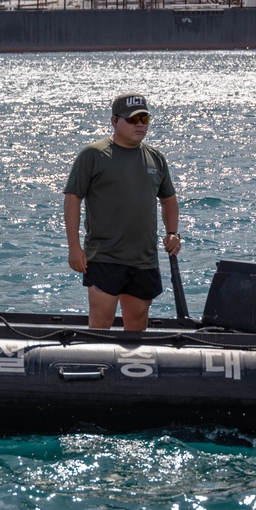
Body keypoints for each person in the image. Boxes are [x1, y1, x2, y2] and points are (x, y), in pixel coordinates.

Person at [63, 92, 181, 331]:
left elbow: (168, 199)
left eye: (144, 119)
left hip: (143, 258)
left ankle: (131, 368)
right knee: (100, 323)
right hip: (104, 256)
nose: (139, 125)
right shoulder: (93, 155)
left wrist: (173, 233)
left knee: (137, 324)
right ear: (114, 121)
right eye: (132, 119)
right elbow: (73, 198)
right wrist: (74, 248)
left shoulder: (156, 158)